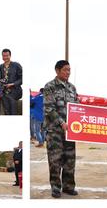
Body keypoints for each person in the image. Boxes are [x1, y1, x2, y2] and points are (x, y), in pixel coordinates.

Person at [43, 60, 79, 198]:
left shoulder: (72, 88)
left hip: (70, 132)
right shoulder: (50, 87)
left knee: (70, 160)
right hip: (55, 131)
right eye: (65, 70)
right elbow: (49, 108)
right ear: (57, 71)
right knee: (55, 161)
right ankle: (56, 187)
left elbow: (78, 107)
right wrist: (61, 122)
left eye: (69, 70)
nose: (68, 72)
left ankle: (69, 186)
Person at [0, 49, 22, 115]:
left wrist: (13, 84)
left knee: (13, 112)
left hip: (14, 92)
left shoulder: (16, 65)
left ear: (10, 56)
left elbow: (22, 78)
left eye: (7, 55)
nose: (5, 57)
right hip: (4, 93)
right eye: (3, 56)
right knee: (6, 112)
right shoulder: (0, 67)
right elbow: (0, 79)